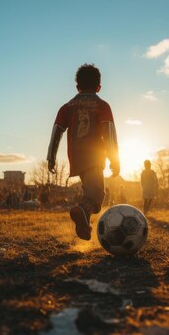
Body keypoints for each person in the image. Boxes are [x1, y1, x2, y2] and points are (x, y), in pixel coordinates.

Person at [47, 63, 120, 240]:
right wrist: (114, 158)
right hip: (94, 155)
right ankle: (81, 211)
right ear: (99, 87)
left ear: (77, 87)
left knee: (90, 192)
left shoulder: (67, 107)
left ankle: (84, 224)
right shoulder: (102, 105)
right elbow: (109, 132)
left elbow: (57, 130)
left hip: (76, 156)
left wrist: (51, 157)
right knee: (97, 194)